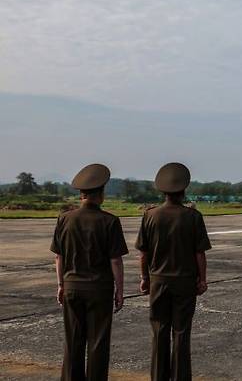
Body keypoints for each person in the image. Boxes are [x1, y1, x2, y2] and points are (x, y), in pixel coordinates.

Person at [50, 163, 128, 381]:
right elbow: (115, 260)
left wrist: (60, 285)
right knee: (98, 343)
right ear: (100, 193)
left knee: (73, 341)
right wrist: (120, 290)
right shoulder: (109, 221)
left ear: (82, 194)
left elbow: (59, 257)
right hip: (99, 289)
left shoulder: (64, 218)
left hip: (71, 286)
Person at [135, 162, 212, 381]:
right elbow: (200, 254)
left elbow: (143, 254)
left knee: (159, 331)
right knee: (181, 332)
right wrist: (203, 279)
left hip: (158, 280)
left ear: (162, 191)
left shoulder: (150, 215)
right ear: (183, 190)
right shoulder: (193, 216)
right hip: (185, 281)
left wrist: (144, 278)